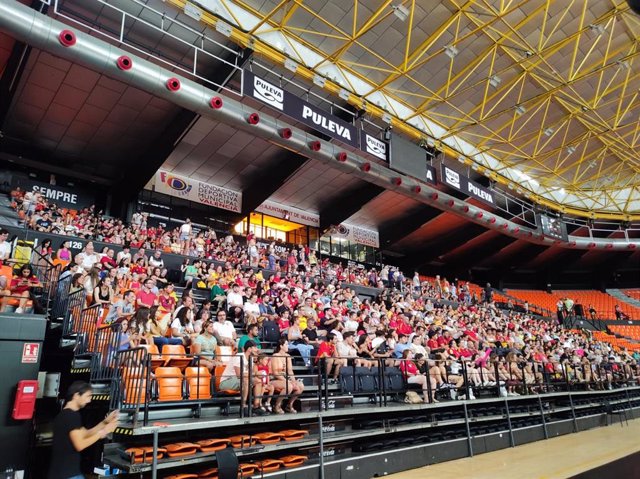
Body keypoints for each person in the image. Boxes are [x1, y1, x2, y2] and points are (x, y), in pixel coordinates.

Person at [48, 381, 118, 479]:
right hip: (68, 474)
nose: (89, 401)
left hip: (60, 473)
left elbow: (86, 434)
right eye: (87, 396)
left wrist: (105, 422)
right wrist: (104, 432)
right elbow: (80, 445)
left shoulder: (63, 415)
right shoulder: (72, 416)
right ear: (76, 395)